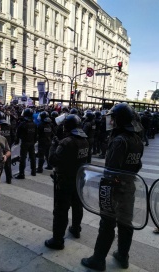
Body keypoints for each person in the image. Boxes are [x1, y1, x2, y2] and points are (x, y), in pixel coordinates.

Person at [81, 103, 144, 271]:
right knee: (125, 223)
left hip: (114, 189)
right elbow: (137, 165)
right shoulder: (137, 139)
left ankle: (98, 259)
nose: (112, 121)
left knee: (107, 223)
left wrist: (106, 189)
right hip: (129, 187)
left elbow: (111, 171)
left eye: (114, 118)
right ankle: (123, 256)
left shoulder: (119, 140)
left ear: (119, 120)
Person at [45, 114, 89, 250]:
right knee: (77, 205)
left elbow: (52, 160)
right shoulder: (85, 140)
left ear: (67, 126)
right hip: (79, 178)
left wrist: (53, 145)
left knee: (61, 210)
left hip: (65, 180)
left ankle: (57, 240)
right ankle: (76, 229)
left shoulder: (67, 142)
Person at [15, 108, 37, 179]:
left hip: (25, 143)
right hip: (31, 142)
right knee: (32, 157)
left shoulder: (23, 124)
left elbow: (18, 134)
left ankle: (22, 174)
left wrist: (17, 141)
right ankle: (33, 171)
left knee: (23, 158)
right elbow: (36, 134)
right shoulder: (34, 124)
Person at [0, 111, 13, 184]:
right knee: (8, 163)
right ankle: (9, 179)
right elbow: (13, 136)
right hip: (7, 148)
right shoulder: (9, 126)